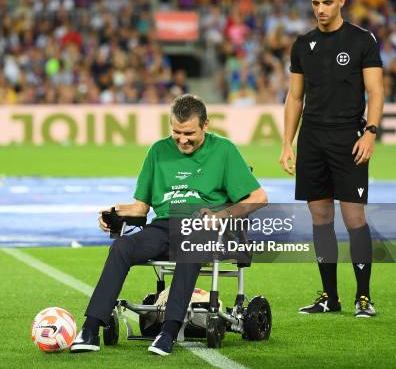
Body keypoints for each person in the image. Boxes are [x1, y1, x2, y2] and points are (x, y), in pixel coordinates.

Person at [70, 94, 267, 355]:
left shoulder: (224, 150)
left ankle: (168, 331)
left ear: (205, 125)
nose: (182, 140)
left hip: (206, 228)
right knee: (122, 247)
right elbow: (141, 208)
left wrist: (221, 216)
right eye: (176, 132)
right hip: (164, 226)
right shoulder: (158, 151)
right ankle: (91, 328)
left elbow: (259, 198)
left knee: (191, 244)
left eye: (189, 133)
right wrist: (113, 213)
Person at [279, 0, 384, 318]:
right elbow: (295, 98)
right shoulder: (302, 44)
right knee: (320, 218)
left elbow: (376, 91)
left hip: (348, 138)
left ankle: (364, 297)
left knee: (354, 217)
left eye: (327, 2)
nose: (321, 9)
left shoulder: (361, 40)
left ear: (341, 0)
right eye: (315, 3)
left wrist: (370, 132)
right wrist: (287, 143)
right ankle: (330, 296)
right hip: (312, 139)